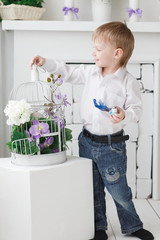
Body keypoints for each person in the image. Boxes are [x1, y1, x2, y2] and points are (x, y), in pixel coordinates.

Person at [30, 22, 154, 240]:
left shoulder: (128, 81)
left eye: (98, 49)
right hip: (86, 141)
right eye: (93, 48)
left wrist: (124, 114)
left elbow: (136, 109)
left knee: (118, 190)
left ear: (117, 53)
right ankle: (99, 227)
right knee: (93, 188)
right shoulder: (90, 73)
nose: (92, 52)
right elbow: (66, 71)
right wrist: (45, 63)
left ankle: (132, 225)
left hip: (111, 146)